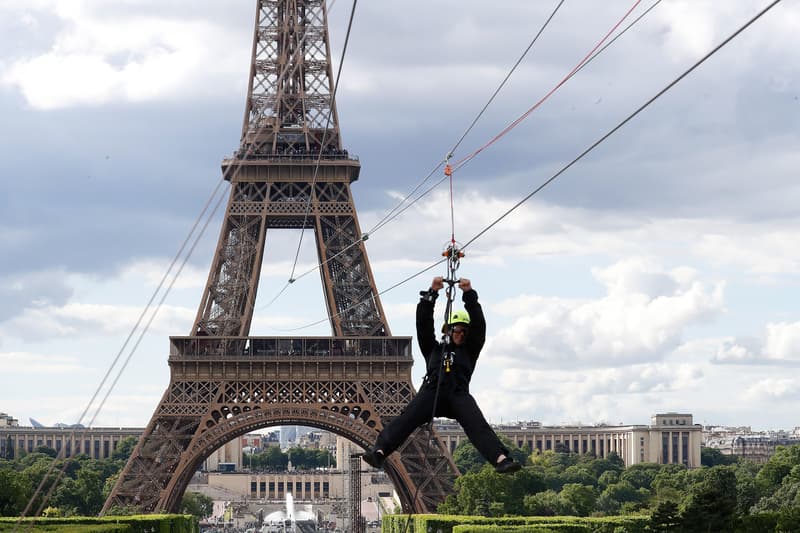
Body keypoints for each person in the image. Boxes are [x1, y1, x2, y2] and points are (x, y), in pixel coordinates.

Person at [362, 276, 521, 474]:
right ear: (448, 330)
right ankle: (380, 451)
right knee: (406, 419)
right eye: (457, 330)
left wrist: (469, 294)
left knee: (477, 425)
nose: (461, 334)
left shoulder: (470, 350)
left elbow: (480, 326)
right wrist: (431, 295)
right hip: (432, 391)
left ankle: (500, 459)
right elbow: (424, 325)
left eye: (465, 331)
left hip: (457, 393)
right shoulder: (433, 349)